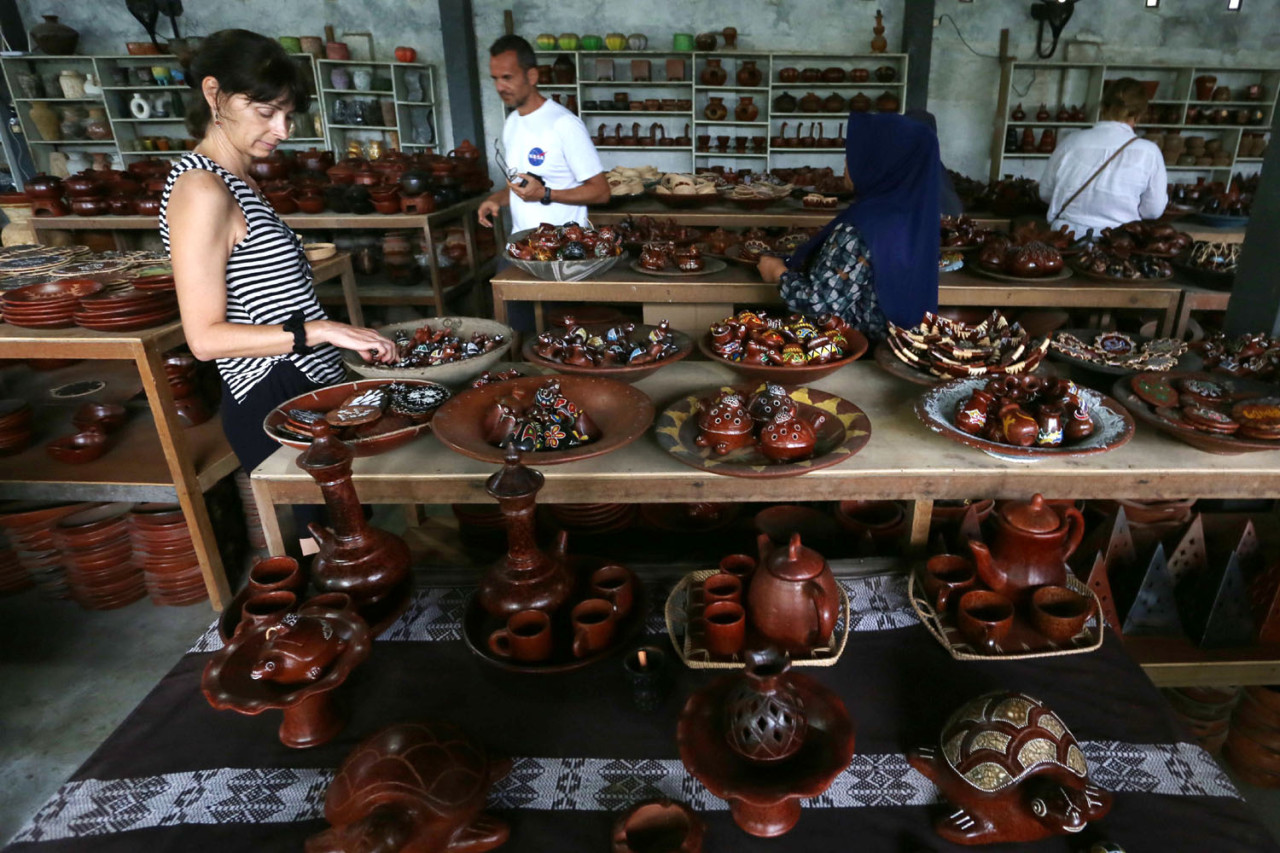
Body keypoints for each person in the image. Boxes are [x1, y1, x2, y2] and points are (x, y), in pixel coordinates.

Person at [161, 29, 397, 491]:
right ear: (214, 94)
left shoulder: (238, 181)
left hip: (303, 387)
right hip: (273, 396)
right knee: (331, 548)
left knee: (349, 540)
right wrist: (324, 330)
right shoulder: (201, 189)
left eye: (287, 115)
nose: (282, 131)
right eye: (266, 112)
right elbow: (205, 340)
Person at [757, 111, 942, 341]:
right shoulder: (913, 217)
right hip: (902, 348)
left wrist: (777, 272)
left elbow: (819, 305)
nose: (845, 163)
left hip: (857, 351)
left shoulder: (864, 228)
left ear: (877, 164)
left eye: (855, 156)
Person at [477, 34, 610, 234]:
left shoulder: (564, 124)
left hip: (563, 250)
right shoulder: (512, 123)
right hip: (524, 245)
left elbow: (601, 192)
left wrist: (546, 193)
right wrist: (495, 199)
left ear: (531, 76)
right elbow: (521, 188)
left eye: (507, 77)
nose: (499, 87)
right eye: (495, 79)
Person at [1039, 77, 1168, 237]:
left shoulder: (1071, 142)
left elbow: (1045, 192)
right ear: (1139, 114)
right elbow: (1153, 211)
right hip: (1118, 242)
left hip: (1066, 237)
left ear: (1103, 107)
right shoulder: (1149, 152)